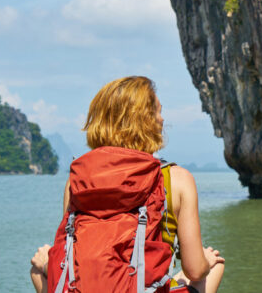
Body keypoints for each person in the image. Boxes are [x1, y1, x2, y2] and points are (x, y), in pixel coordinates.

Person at [29, 76, 225, 293]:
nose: (162, 119)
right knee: (215, 266)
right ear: (144, 121)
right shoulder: (176, 179)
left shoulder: (77, 181)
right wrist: (206, 260)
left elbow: (69, 253)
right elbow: (195, 271)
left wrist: (47, 263)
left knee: (39, 268)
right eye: (158, 112)